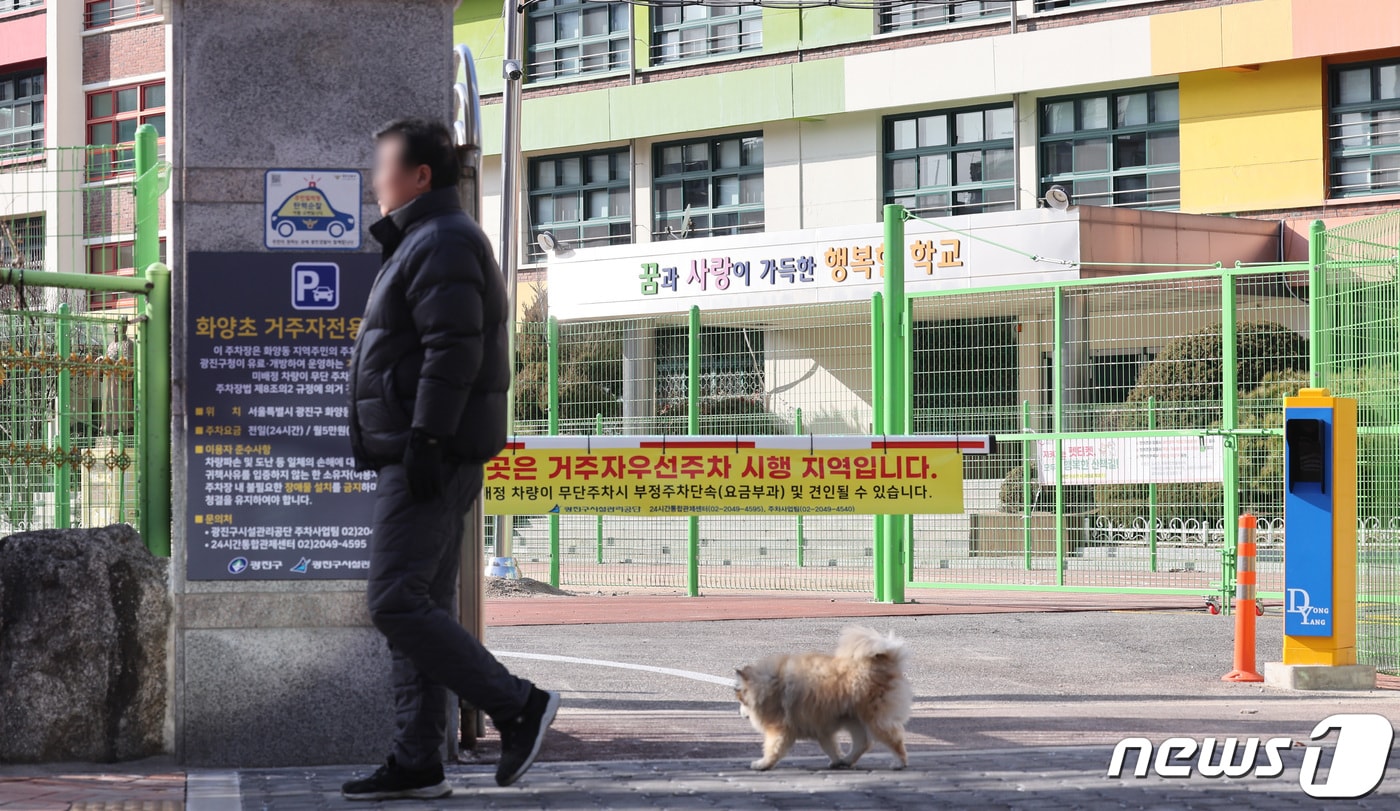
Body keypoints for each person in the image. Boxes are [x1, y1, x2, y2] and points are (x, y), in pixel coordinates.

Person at [341, 118, 559, 801]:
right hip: (418, 448)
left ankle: (518, 703)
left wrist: (428, 439)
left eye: (383, 165)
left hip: (426, 453)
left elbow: (452, 349)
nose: (375, 178)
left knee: (393, 600)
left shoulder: (442, 240)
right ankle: (418, 758)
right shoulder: (425, 240)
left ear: (420, 175)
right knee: (419, 604)